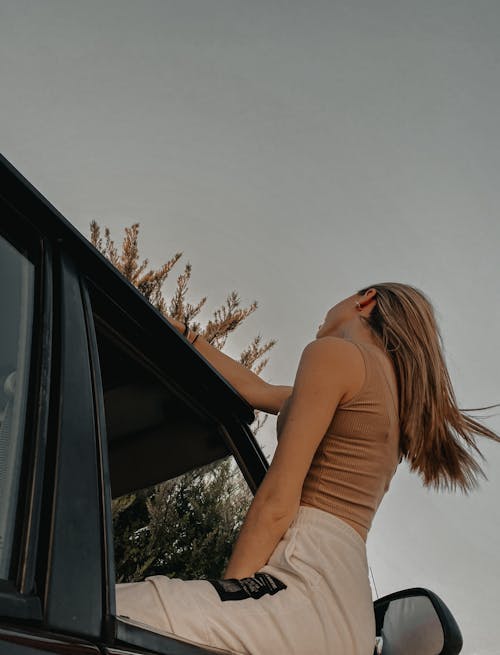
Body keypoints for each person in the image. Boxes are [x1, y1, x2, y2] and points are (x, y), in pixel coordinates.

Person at [115, 282, 500, 655]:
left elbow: (278, 500)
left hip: (299, 590)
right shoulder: (389, 401)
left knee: (102, 608)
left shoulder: (335, 355)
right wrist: (185, 336)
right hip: (346, 619)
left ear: (366, 301)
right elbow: (258, 390)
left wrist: (232, 592)